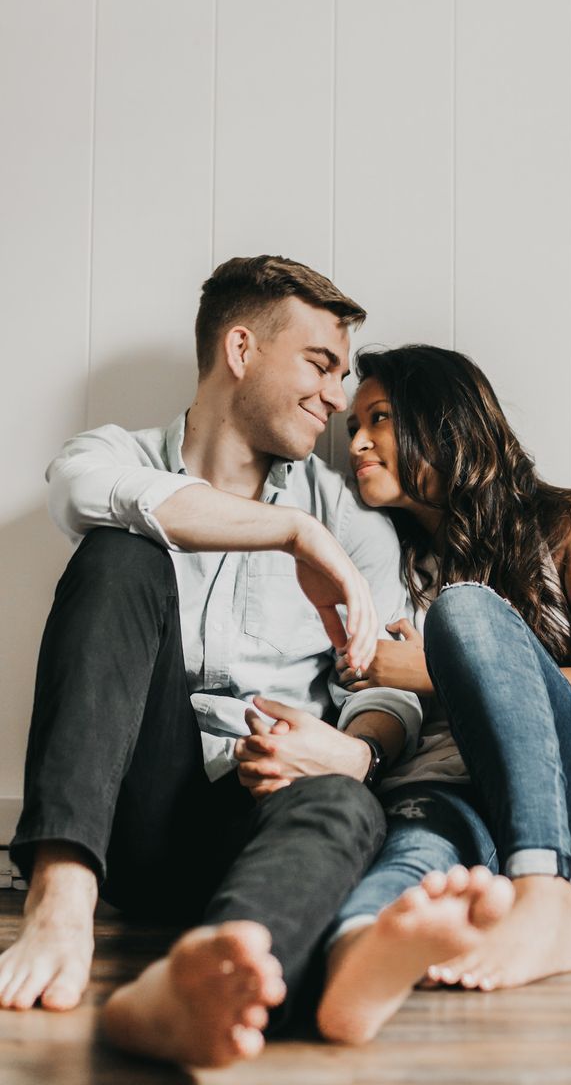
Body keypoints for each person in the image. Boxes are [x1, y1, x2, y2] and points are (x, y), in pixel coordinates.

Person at [0, 257, 424, 1068]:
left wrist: (355, 747)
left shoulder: (354, 518)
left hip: (262, 810)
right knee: (119, 555)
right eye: (320, 365)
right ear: (240, 350)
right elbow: (84, 495)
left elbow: (389, 687)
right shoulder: (116, 453)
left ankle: (211, 971)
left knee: (344, 804)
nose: (338, 398)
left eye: (344, 375)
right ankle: (60, 901)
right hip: (128, 808)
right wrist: (295, 533)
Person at [297, 344, 571, 1044]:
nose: (358, 441)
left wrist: (427, 667)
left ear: (446, 421)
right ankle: (359, 957)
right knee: (411, 857)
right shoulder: (385, 556)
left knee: (465, 610)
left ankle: (544, 893)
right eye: (352, 428)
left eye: (380, 419)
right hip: (453, 795)